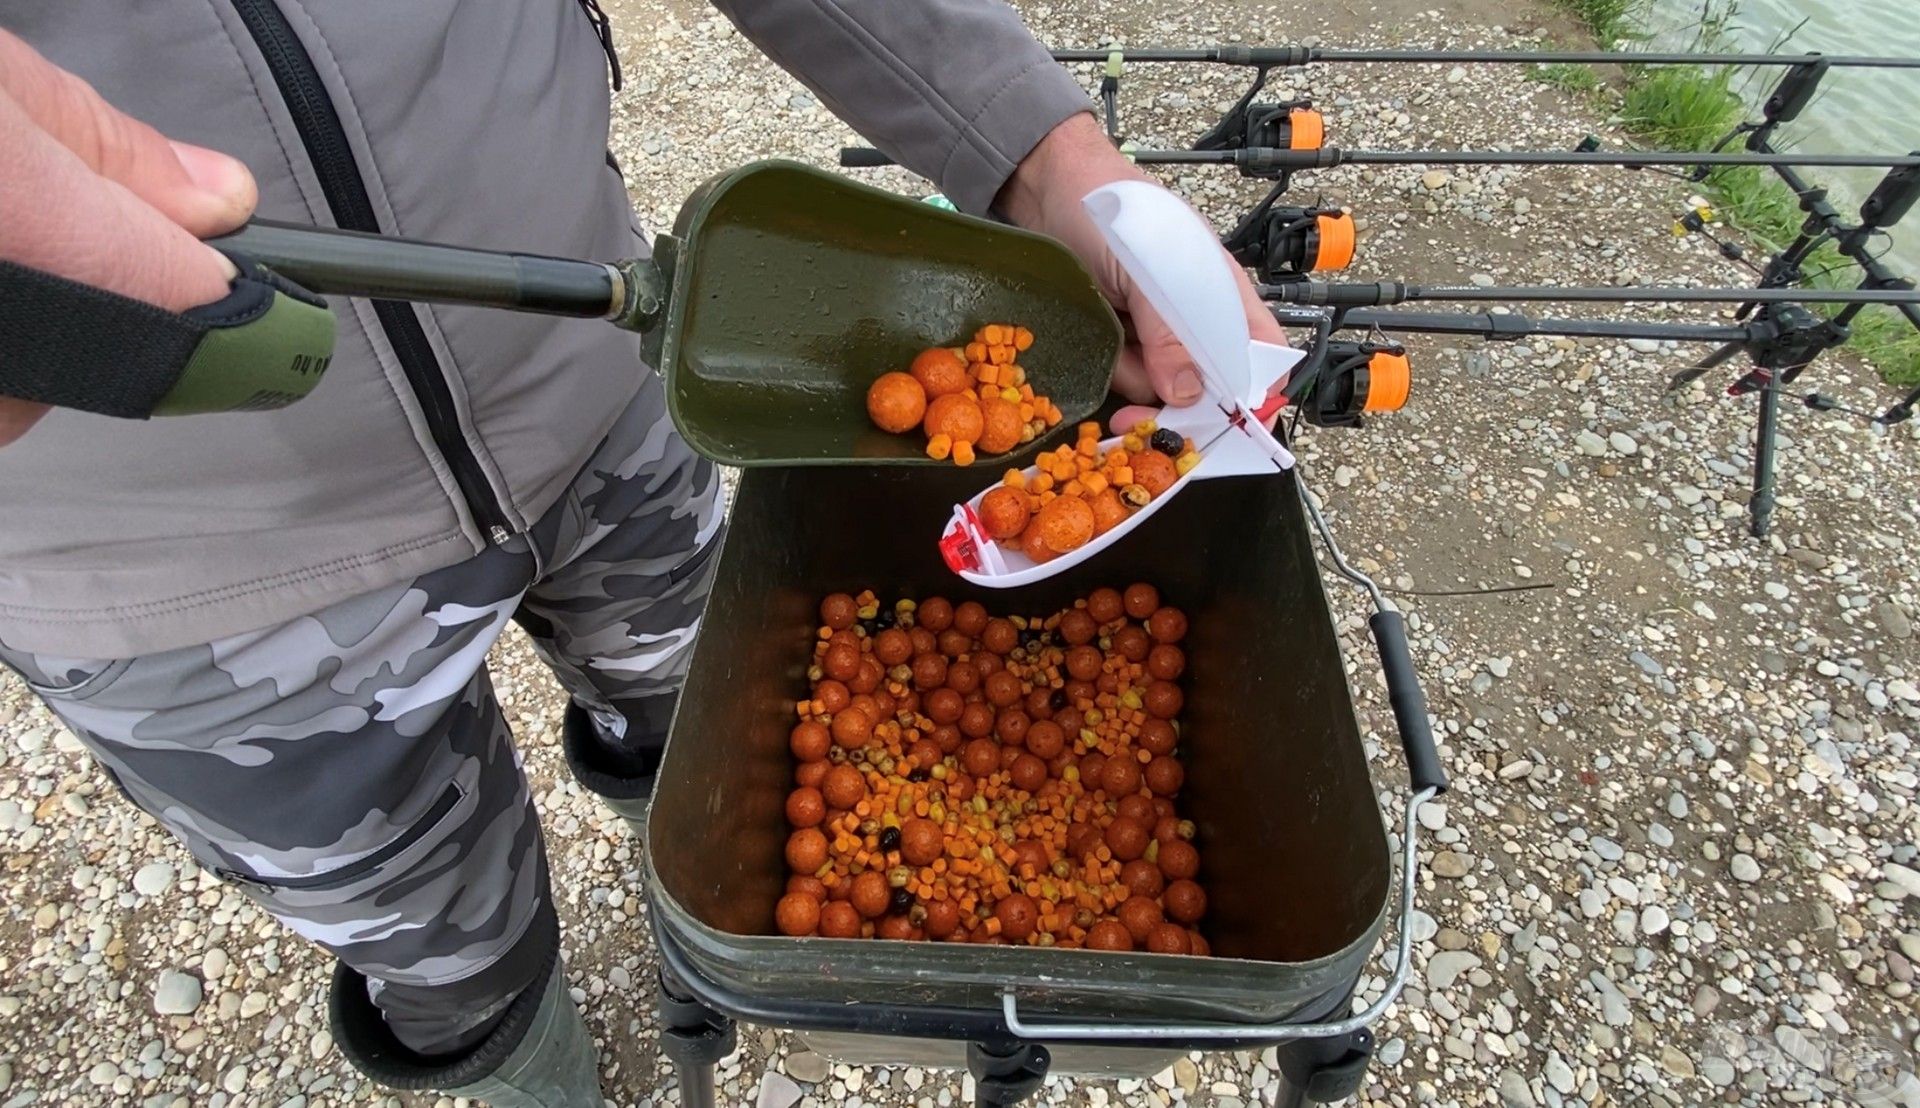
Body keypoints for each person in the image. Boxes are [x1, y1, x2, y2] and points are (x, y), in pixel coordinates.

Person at [0, 2, 1284, 1104]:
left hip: (602, 376)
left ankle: (677, 884)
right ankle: (534, 1068)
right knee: (437, 943)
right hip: (163, 561)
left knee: (695, 729)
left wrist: (1040, 153)